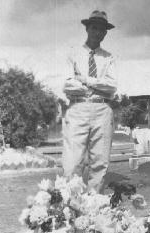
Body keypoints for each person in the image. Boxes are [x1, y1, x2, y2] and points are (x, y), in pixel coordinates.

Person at [63, 10, 117, 193]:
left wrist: (86, 80)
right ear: (87, 28)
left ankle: (93, 209)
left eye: (102, 30)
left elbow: (111, 87)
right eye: (94, 28)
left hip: (102, 109)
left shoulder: (108, 57)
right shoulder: (73, 53)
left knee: (100, 163)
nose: (98, 33)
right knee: (72, 163)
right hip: (77, 108)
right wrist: (96, 86)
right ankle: (71, 208)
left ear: (105, 33)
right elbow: (68, 85)